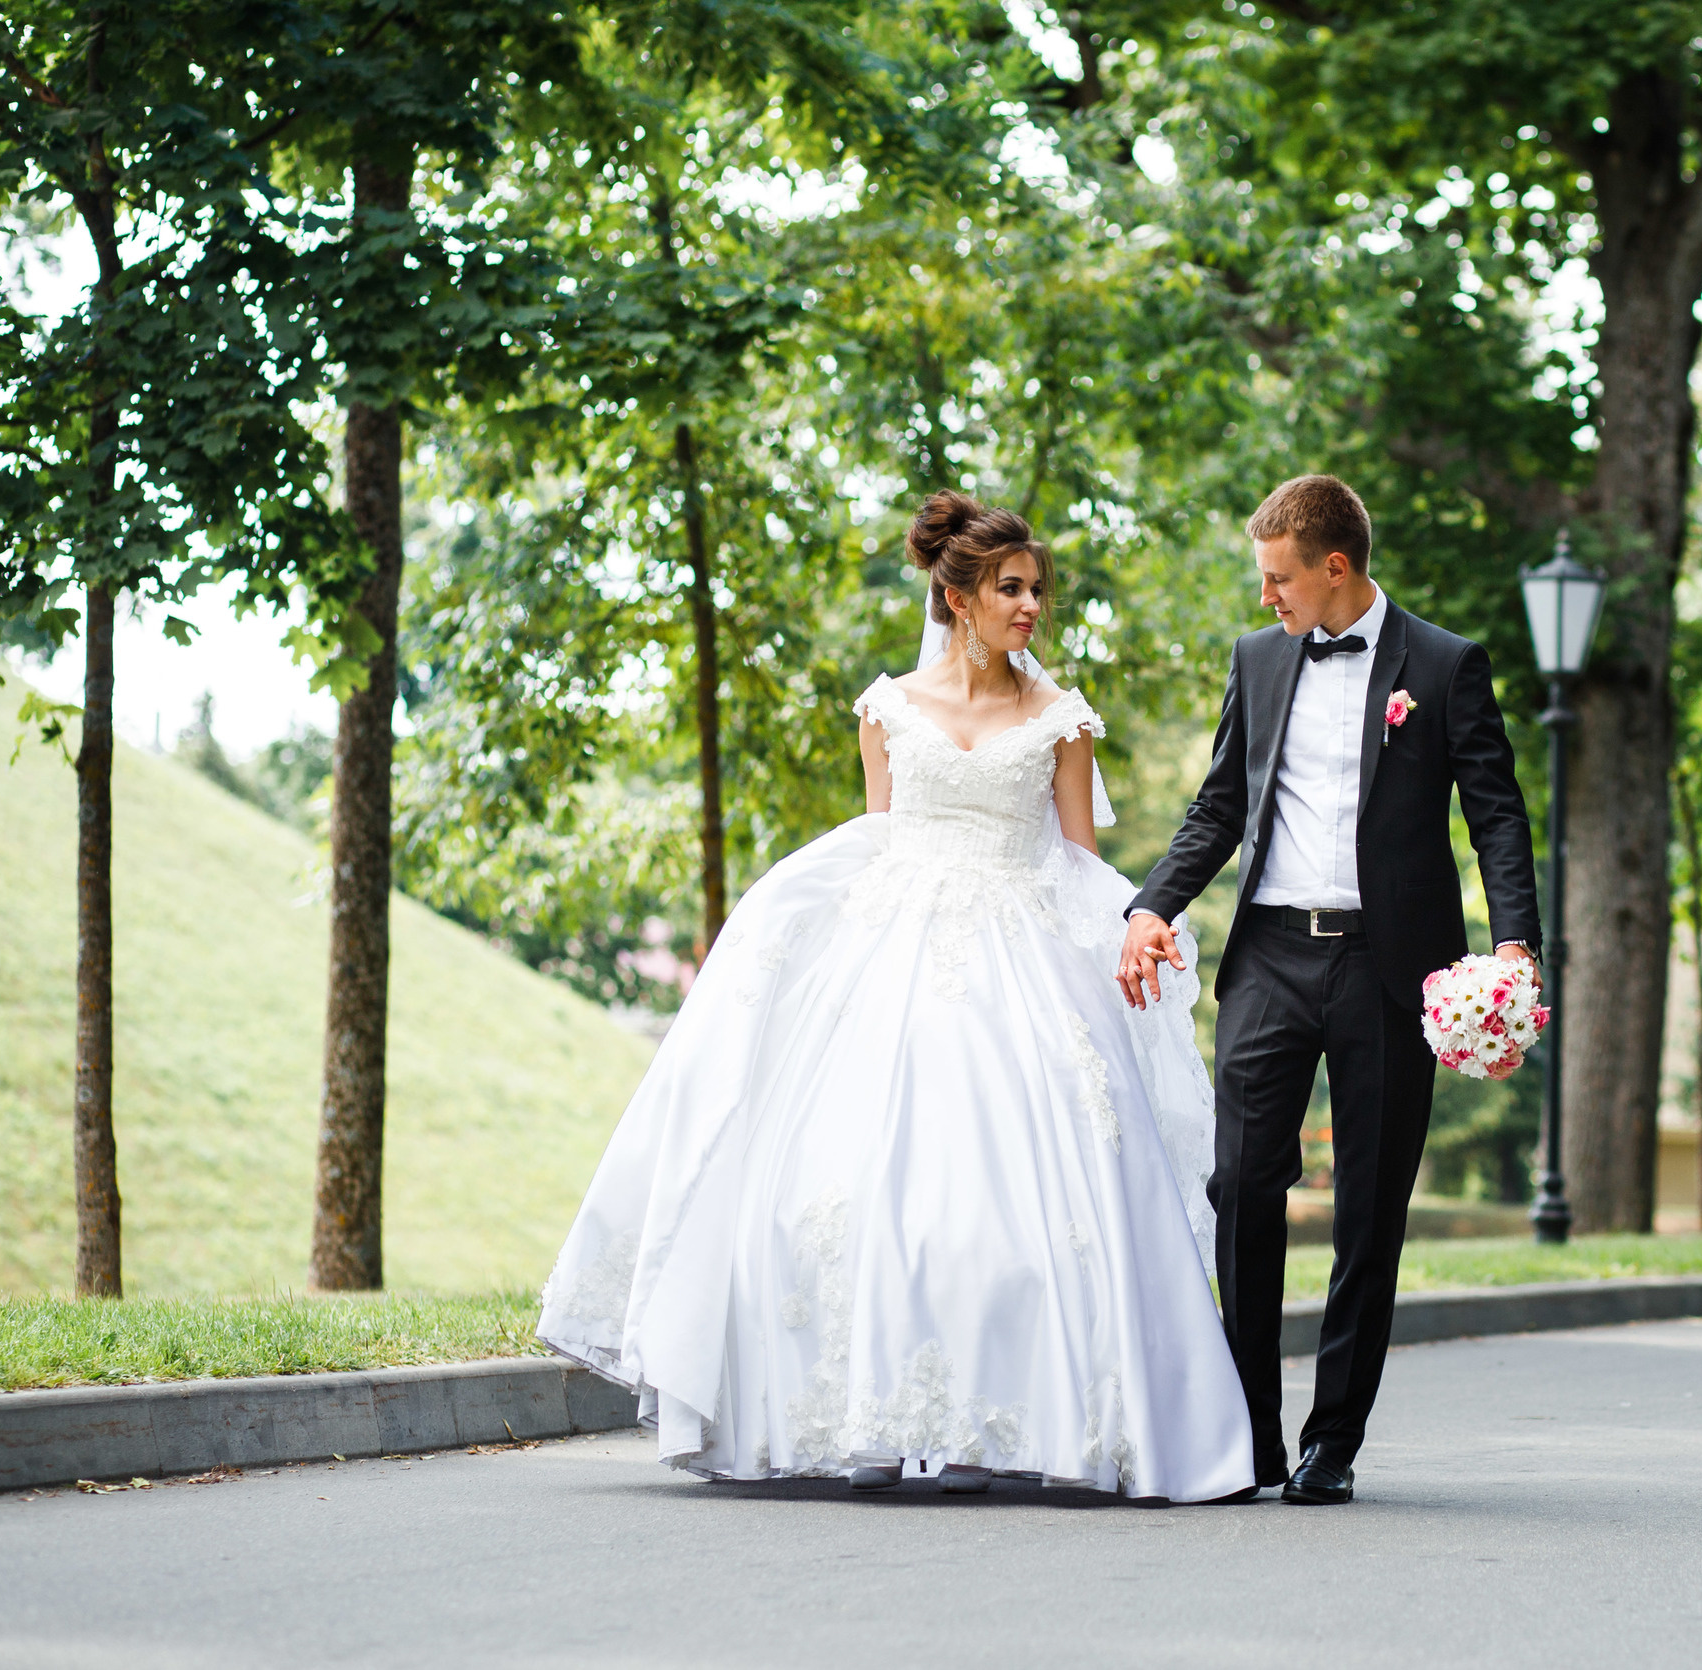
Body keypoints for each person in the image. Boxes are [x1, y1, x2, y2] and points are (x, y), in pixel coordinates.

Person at [539, 490, 1253, 1504]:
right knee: (857, 1188)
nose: (1030, 606)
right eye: (1010, 588)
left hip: (1025, 961)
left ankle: (1010, 1417)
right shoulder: (886, 709)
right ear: (955, 596)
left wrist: (1142, 939)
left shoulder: (1062, 718)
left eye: (1038, 588)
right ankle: (859, 1416)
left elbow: (1076, 862)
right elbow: (880, 835)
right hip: (892, 956)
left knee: (1010, 1202)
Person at [1119, 474, 1540, 1506]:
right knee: (1243, 1184)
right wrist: (1149, 904)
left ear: (1334, 567)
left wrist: (1515, 942)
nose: (1267, 595)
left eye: (1278, 576)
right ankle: (1247, 1432)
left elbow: (1496, 813)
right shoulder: (1258, 659)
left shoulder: (1442, 666)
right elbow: (1220, 801)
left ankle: (1331, 1441)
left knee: (1367, 1208)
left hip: (1389, 966)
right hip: (1267, 955)